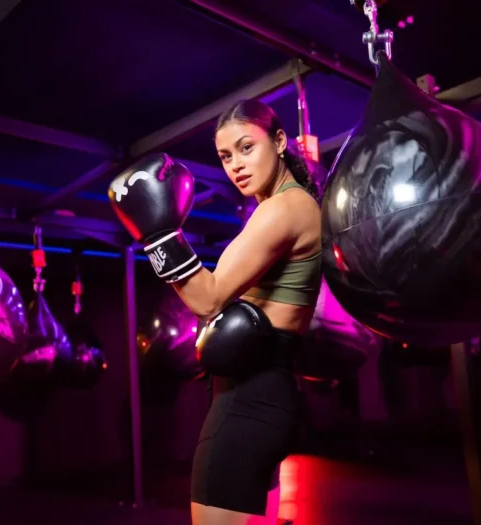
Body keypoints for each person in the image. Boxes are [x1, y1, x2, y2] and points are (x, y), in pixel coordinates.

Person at [107, 99, 322, 525]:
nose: (235, 165)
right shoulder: (286, 207)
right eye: (225, 156)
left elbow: (207, 299)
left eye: (246, 148)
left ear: (279, 142)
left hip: (249, 400)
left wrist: (158, 234)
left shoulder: (283, 209)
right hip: (264, 395)